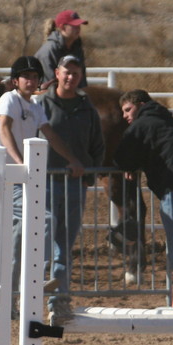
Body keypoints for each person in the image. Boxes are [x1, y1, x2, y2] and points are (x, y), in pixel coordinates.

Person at [0, 55, 84, 300]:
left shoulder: (34, 106)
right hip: (8, 176)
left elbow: (51, 135)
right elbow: (3, 129)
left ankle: (13, 295)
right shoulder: (9, 99)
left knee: (19, 240)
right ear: (15, 81)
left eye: (35, 77)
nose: (32, 81)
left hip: (21, 179)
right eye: (27, 77)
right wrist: (21, 163)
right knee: (44, 219)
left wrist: (72, 159)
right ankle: (36, 276)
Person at [114, 89, 173, 311]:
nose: (126, 116)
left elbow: (122, 154)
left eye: (128, 110)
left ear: (141, 105)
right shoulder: (167, 119)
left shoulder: (142, 124)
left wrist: (129, 166)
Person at [39, 55, 105, 301]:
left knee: (64, 245)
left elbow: (98, 145)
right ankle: (33, 294)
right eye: (67, 72)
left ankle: (60, 297)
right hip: (45, 183)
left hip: (75, 185)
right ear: (57, 73)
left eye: (75, 73)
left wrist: (89, 174)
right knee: (41, 241)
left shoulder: (87, 109)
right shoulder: (41, 105)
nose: (70, 77)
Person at [34, 10, 89, 88]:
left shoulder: (77, 48)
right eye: (75, 26)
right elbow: (49, 84)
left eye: (79, 26)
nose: (78, 29)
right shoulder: (49, 50)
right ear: (63, 27)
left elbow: (81, 80)